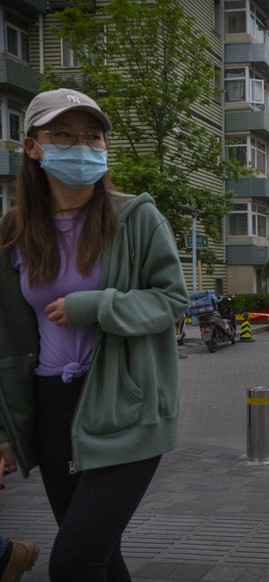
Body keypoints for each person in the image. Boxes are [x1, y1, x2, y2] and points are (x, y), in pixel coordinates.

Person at [0, 88, 189, 580]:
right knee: (100, 562)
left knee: (73, 562)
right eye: (63, 134)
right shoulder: (15, 231)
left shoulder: (136, 218)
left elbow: (171, 302)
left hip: (125, 406)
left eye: (92, 136)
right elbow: (7, 339)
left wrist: (97, 305)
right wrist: (6, 430)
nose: (80, 146)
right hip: (51, 409)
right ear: (34, 146)